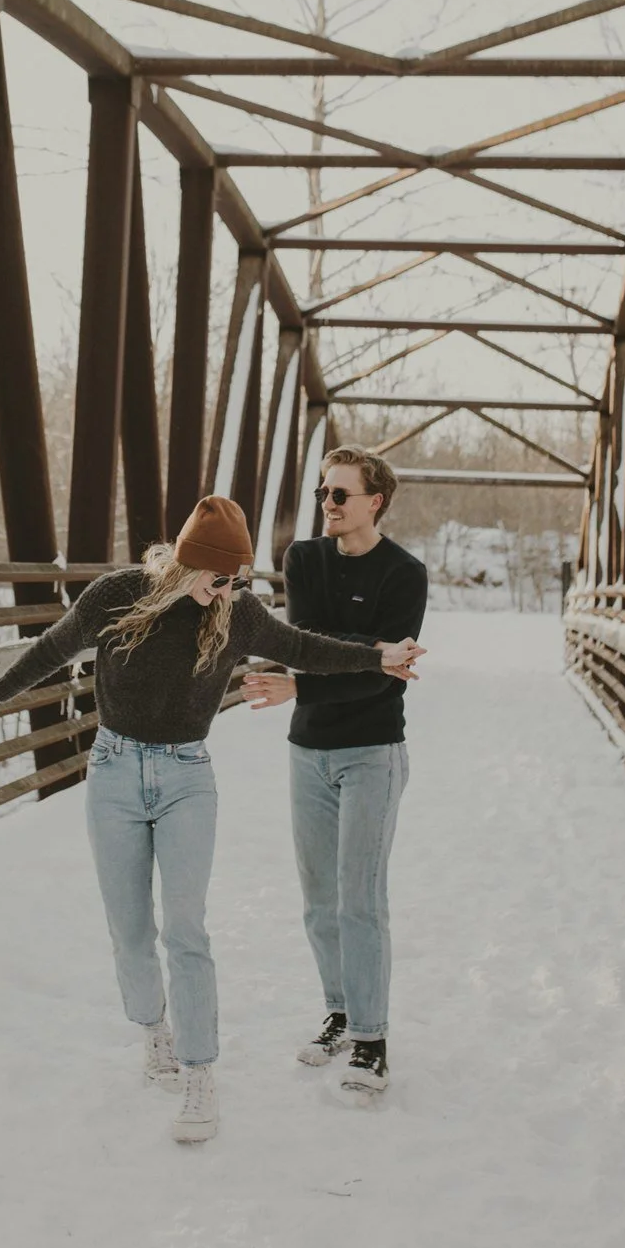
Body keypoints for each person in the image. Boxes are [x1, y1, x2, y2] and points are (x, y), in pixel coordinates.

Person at [0, 495, 421, 1145]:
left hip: (185, 778)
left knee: (185, 931)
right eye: (219, 577)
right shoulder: (117, 595)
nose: (228, 590)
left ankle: (200, 1074)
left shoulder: (236, 612)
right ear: (186, 562)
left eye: (237, 579)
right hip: (113, 772)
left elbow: (303, 648)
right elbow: (54, 647)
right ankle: (155, 1033)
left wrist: (377, 655)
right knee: (129, 932)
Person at [243, 447, 427, 1098]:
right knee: (320, 901)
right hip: (308, 752)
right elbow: (302, 644)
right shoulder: (304, 558)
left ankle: (372, 1039)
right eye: (324, 491)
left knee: (360, 899)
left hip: (372, 752)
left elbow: (380, 684)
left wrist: (308, 680)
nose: (328, 503)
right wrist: (373, 651)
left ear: (375, 501)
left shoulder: (404, 573)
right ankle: (340, 1013)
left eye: (341, 494)